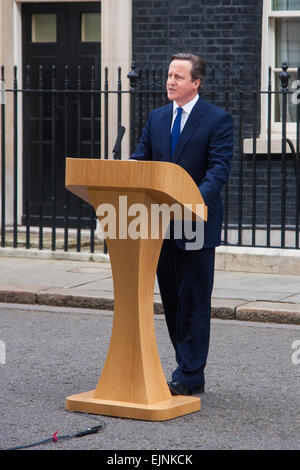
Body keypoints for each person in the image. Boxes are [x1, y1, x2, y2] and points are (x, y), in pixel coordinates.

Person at [130, 53, 234, 396]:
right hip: (161, 226)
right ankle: (187, 371)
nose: (170, 81)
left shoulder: (217, 120)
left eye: (178, 76)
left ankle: (190, 374)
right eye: (169, 75)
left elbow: (218, 170)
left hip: (195, 225)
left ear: (196, 83)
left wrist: (191, 203)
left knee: (195, 303)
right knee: (173, 302)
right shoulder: (158, 118)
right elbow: (141, 160)